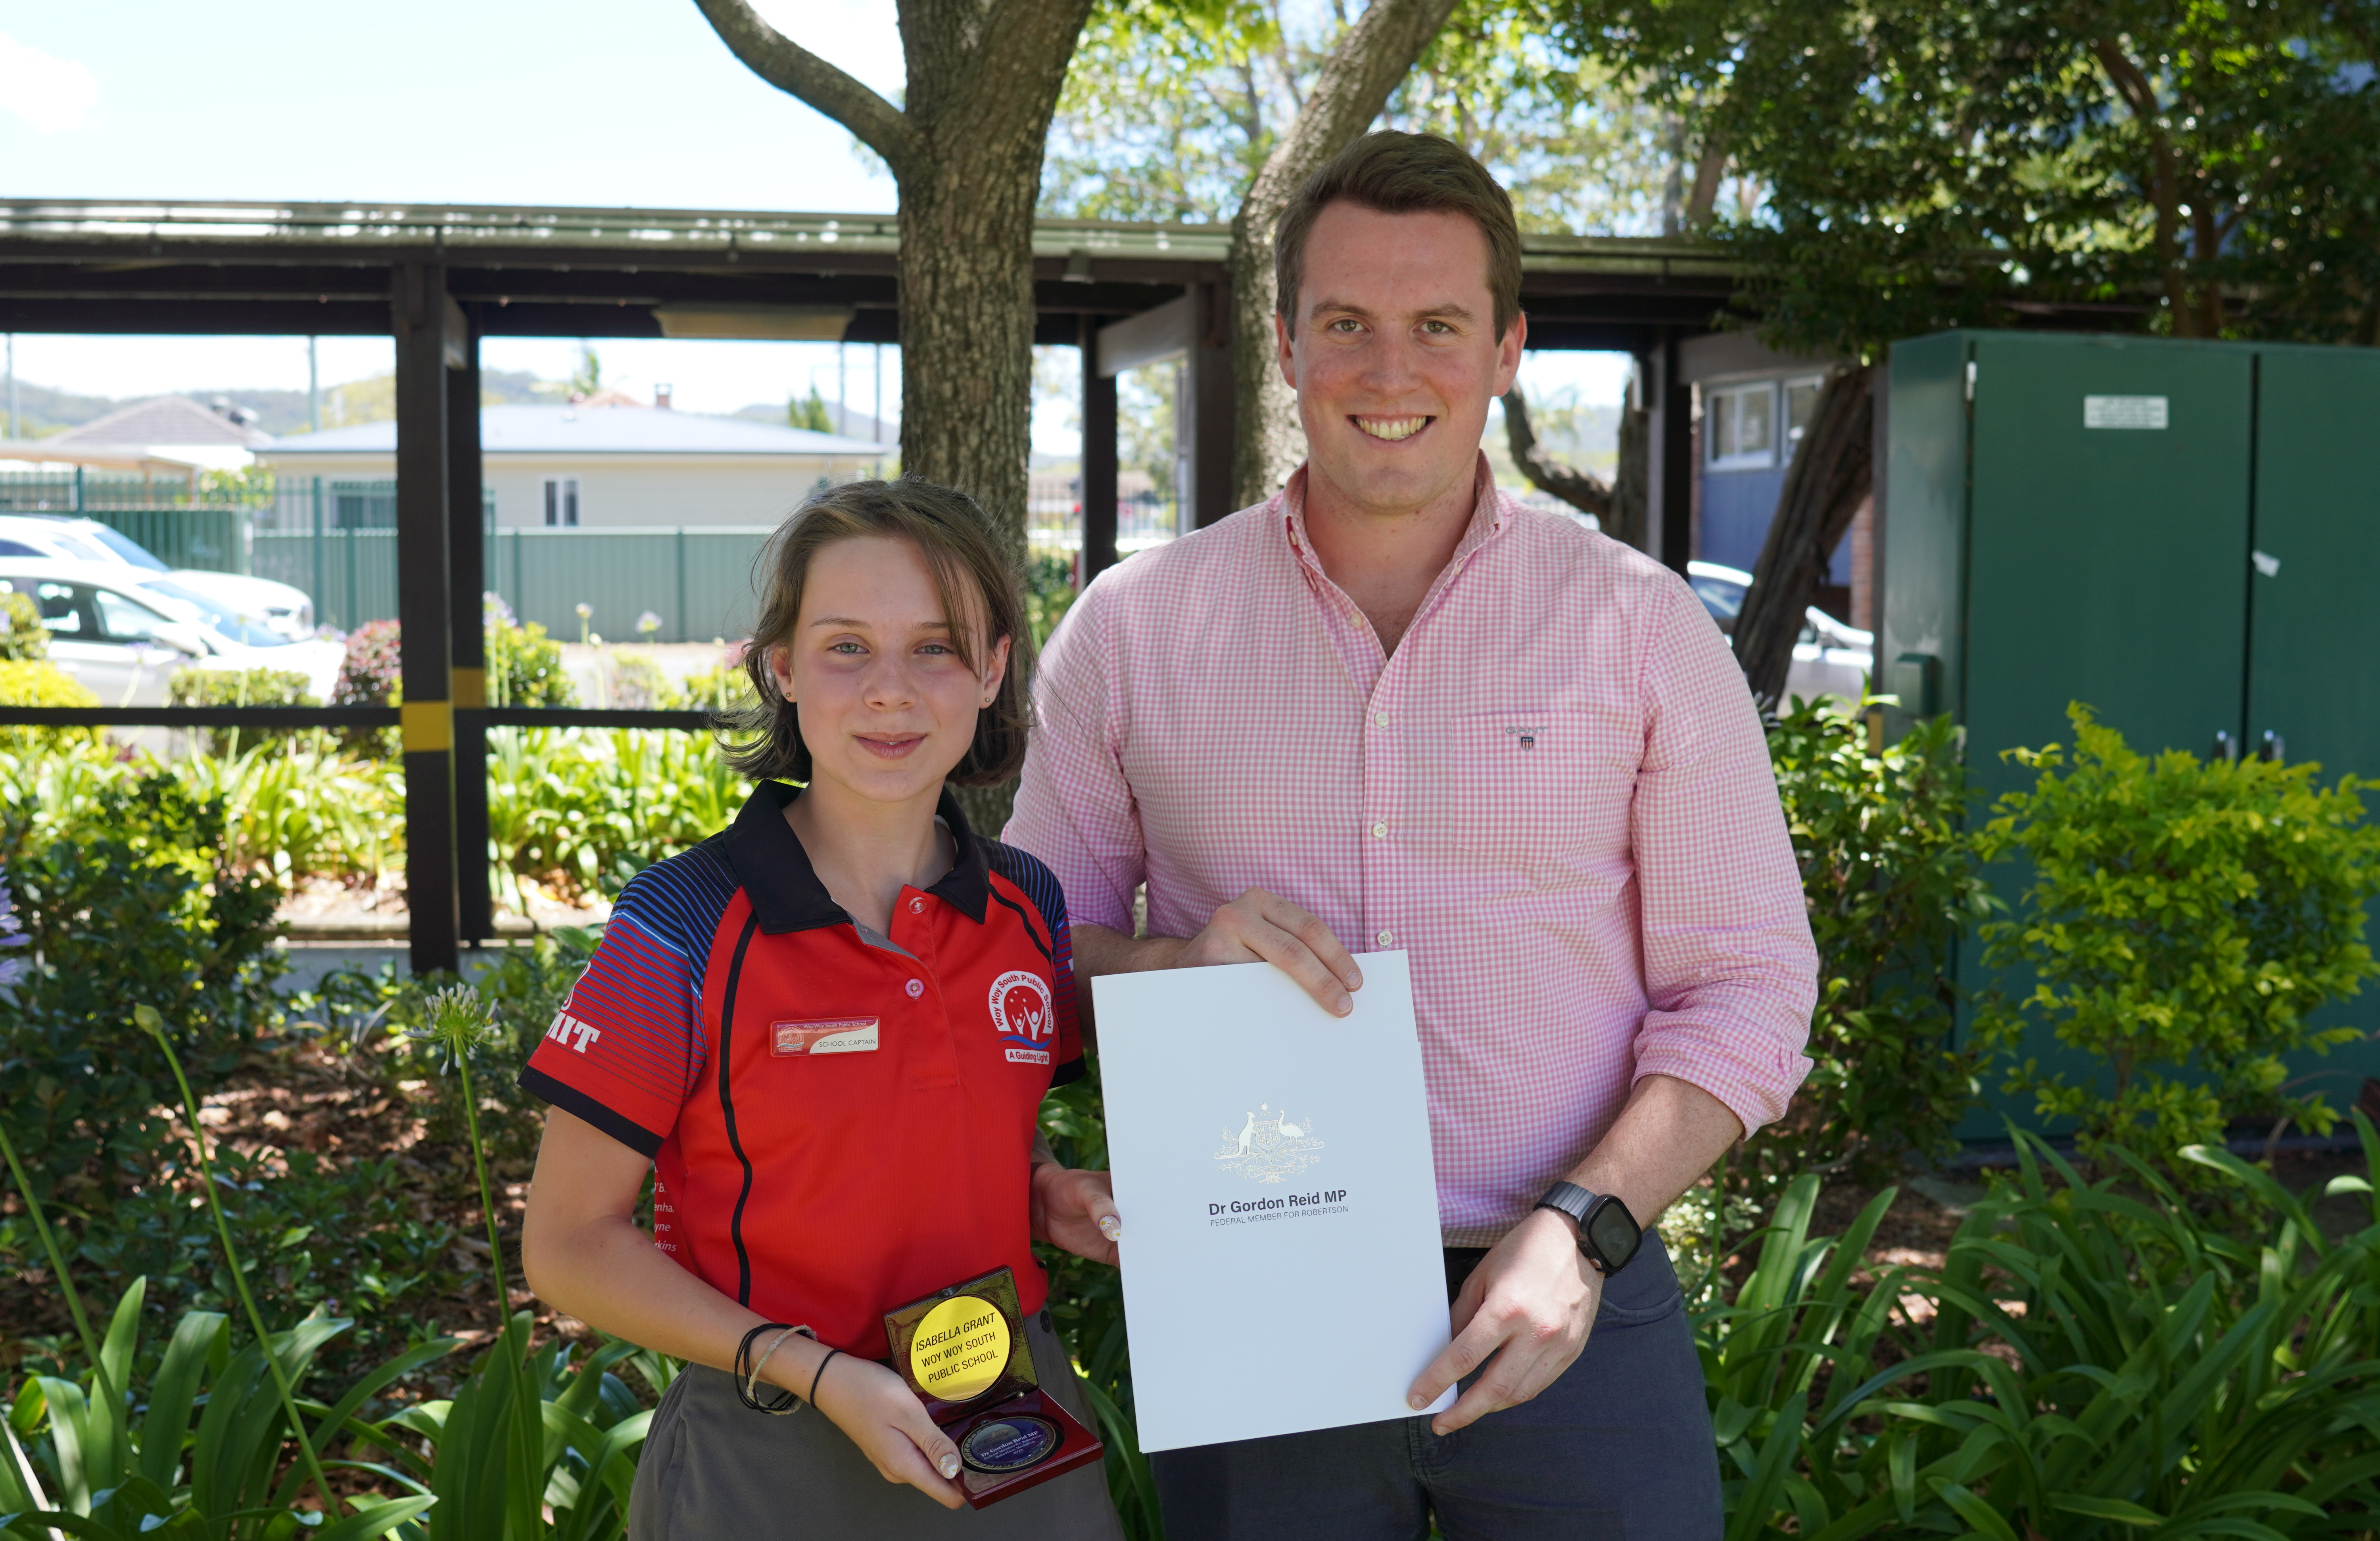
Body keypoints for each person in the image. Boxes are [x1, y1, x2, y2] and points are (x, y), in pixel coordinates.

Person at [1006, 131, 1819, 1539]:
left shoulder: (1640, 628)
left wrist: (1585, 1228)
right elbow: (1021, 962)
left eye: (1438, 325)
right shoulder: (1135, 631)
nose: (1392, 372)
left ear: (1507, 349)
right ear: (1286, 346)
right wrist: (1168, 965)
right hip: (1251, 1292)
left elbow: (1750, 984)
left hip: (1569, 1285)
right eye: (1347, 325)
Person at [519, 478, 1126, 1540]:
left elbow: (952, 1129)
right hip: (770, 1440)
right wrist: (810, 1370)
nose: (891, 691)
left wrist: (1042, 1194)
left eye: (936, 648)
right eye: (847, 647)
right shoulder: (683, 920)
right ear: (783, 669)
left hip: (1010, 1421)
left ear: (992, 671)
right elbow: (567, 1243)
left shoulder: (1029, 905)